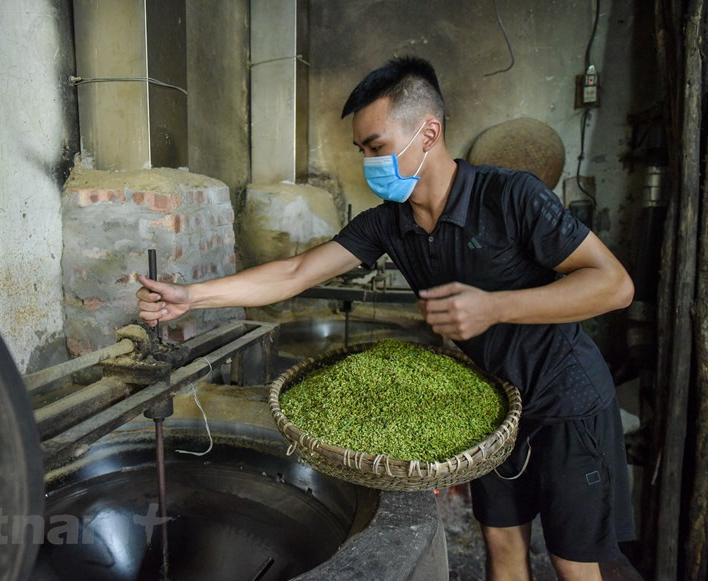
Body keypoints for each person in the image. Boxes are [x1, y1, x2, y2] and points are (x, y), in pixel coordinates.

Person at [136, 56, 635, 581]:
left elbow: (614, 285)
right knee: (504, 552)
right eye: (362, 152)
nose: (368, 163)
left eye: (377, 147)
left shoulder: (511, 197)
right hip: (491, 409)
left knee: (572, 562)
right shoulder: (390, 223)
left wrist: (495, 306)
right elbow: (296, 272)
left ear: (429, 132)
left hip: (566, 401)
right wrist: (191, 297)